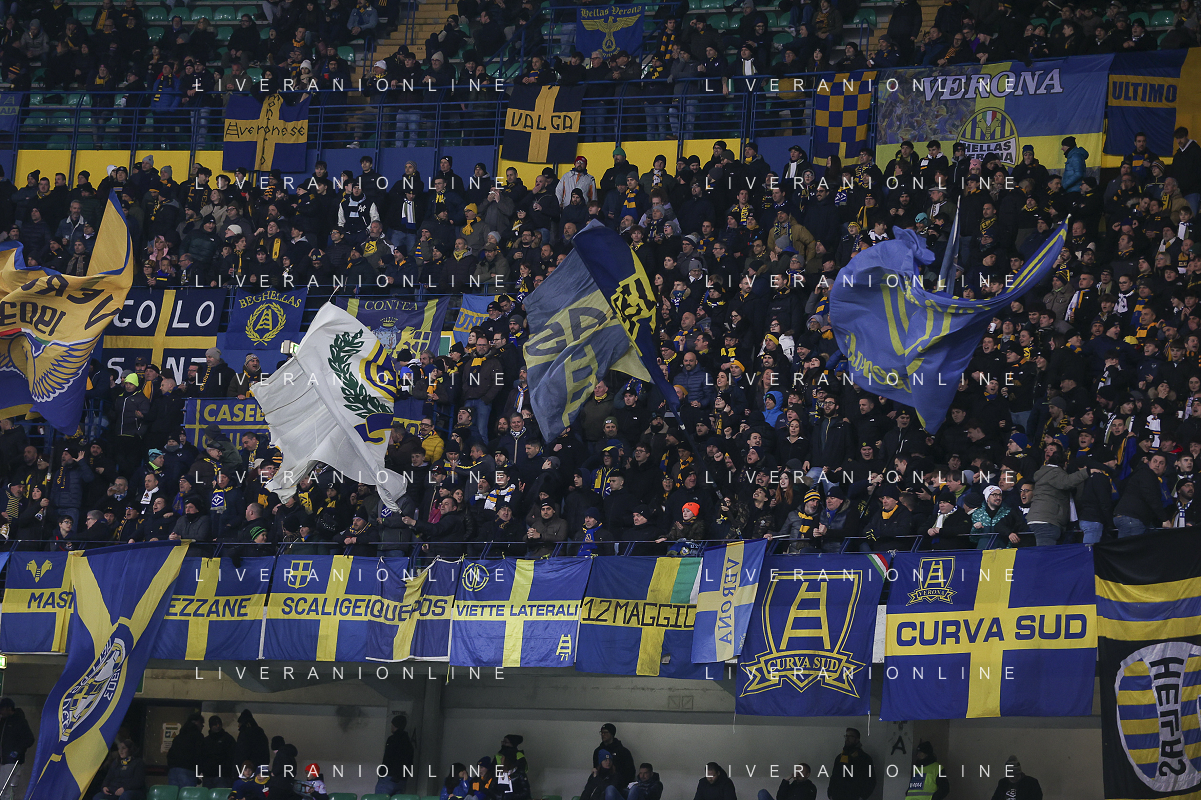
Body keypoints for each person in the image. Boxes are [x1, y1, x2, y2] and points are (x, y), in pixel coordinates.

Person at [827, 728, 875, 800]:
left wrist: (862, 796)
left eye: (850, 736)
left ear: (857, 739)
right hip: (837, 796)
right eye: (846, 736)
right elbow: (834, 776)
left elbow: (871, 780)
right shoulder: (840, 757)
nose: (847, 738)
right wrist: (830, 793)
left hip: (854, 796)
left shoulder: (865, 758)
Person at [0, 698, 34, 800]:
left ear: (9, 709)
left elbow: (29, 739)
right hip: (3, 760)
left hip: (12, 760)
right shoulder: (3, 722)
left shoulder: (19, 721)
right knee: (4, 788)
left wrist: (17, 751)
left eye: (2, 709)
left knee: (6, 788)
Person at [376, 714, 415, 795]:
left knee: (380, 797)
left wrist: (381, 773)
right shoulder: (408, 742)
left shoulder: (392, 740)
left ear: (394, 725)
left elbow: (388, 758)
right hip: (402, 779)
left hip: (389, 777)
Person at [166, 712, 205, 787]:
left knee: (174, 792)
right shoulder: (197, 736)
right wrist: (198, 771)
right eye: (201, 723)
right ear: (197, 722)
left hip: (173, 769)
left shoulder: (179, 736)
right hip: (188, 769)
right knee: (186, 792)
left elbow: (170, 753)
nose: (202, 726)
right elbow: (199, 755)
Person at [202, 715, 238, 789]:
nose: (217, 726)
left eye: (219, 724)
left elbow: (233, 756)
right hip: (210, 775)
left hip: (222, 775)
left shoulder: (227, 739)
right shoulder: (207, 741)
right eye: (215, 724)